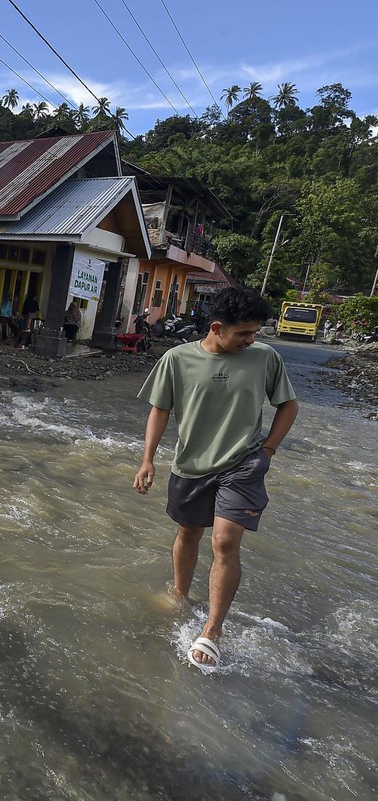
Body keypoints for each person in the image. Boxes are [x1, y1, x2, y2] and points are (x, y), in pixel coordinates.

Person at [133, 286, 298, 673]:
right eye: (244, 333)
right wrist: (147, 460)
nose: (251, 340)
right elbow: (160, 411)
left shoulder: (265, 358)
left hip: (244, 465)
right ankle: (180, 594)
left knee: (224, 542)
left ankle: (212, 629)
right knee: (188, 534)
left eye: (255, 332)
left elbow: (288, 405)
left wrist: (268, 451)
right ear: (216, 327)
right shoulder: (177, 359)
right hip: (190, 465)